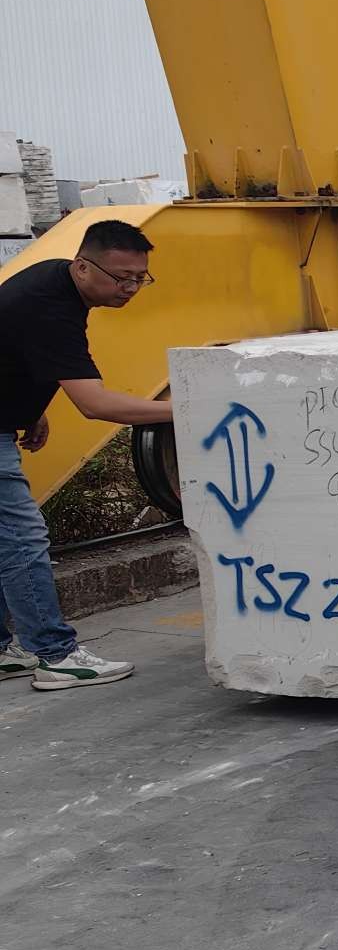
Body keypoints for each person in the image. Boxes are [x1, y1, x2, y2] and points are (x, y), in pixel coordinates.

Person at [0, 220, 176, 690]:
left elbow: (15, 348)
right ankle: (56, 656)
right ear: (82, 266)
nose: (131, 288)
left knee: (4, 539)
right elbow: (95, 404)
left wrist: (27, 409)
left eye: (140, 278)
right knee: (21, 539)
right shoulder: (50, 304)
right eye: (121, 278)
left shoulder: (56, 282)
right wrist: (185, 410)